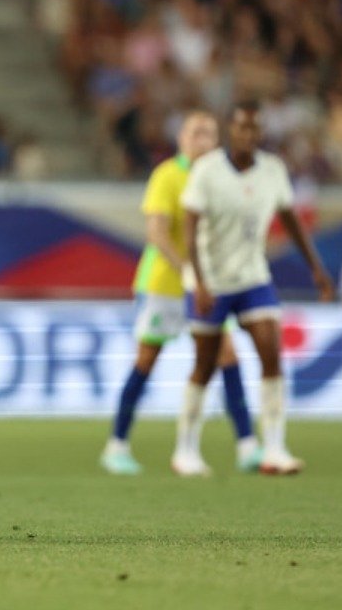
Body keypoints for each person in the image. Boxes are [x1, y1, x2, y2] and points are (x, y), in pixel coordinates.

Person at [101, 110, 262, 477]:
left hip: (207, 287)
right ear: (182, 139)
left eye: (208, 133)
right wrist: (189, 271)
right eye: (194, 132)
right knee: (147, 360)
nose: (201, 139)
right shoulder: (168, 175)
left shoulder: (224, 180)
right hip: (165, 286)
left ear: (217, 141)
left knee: (227, 354)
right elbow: (157, 232)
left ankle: (248, 445)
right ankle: (117, 444)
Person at [178, 100, 334, 476]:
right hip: (210, 281)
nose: (247, 134)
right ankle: (185, 450)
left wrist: (316, 268)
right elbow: (189, 228)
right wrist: (200, 282)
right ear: (230, 130)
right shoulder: (208, 170)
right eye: (241, 127)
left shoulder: (273, 170)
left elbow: (290, 220)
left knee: (271, 352)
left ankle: (275, 449)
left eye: (254, 128)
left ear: (260, 132)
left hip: (252, 278)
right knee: (204, 365)